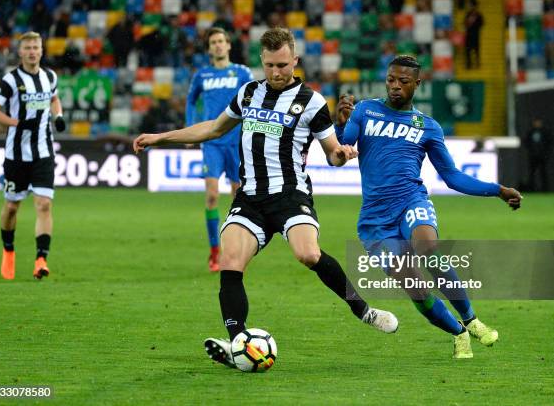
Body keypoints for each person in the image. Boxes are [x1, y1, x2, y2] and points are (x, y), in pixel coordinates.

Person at [134, 27, 398, 369]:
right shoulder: (247, 94)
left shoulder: (312, 101)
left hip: (290, 195)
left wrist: (343, 154)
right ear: (262, 60)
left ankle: (363, 310)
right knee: (230, 261)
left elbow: (331, 152)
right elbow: (213, 129)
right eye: (271, 65)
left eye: (283, 65)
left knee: (308, 253)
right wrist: (160, 137)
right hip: (251, 198)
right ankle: (237, 342)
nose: (276, 72)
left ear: (295, 61)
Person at [335, 55, 522, 358]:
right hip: (374, 221)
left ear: (417, 84)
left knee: (427, 247)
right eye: (391, 80)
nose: (395, 87)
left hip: (411, 200)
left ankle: (471, 319)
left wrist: (497, 190)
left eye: (403, 82)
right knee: (415, 286)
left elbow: (451, 176)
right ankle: (458, 332)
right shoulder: (366, 110)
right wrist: (340, 121)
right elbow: (345, 146)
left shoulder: (427, 126)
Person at [0, 31, 66, 280]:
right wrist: (16, 123)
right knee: (11, 207)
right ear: (20, 52)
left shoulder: (50, 76)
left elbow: (54, 98)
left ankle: (41, 259)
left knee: (44, 204)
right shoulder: (10, 80)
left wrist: (58, 116)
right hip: (17, 155)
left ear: (42, 50)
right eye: (28, 48)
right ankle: (8, 250)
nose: (32, 51)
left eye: (36, 47)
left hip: (43, 151)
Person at [185, 27, 254, 272]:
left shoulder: (242, 72)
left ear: (228, 45)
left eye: (221, 41)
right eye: (213, 42)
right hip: (212, 142)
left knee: (238, 198)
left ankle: (235, 251)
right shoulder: (202, 75)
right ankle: (215, 253)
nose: (217, 45)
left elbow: (255, 99)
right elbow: (191, 100)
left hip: (236, 142)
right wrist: (191, 127)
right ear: (209, 48)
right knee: (212, 195)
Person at [523, 118, 552, 192]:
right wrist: (531, 151)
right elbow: (525, 142)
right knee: (531, 174)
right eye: (536, 122)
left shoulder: (545, 132)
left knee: (543, 173)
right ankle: (531, 189)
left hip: (542, 157)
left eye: (538, 122)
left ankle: (545, 189)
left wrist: (545, 152)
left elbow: (550, 142)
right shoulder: (531, 132)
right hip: (533, 157)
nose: (537, 124)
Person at [464, 0, 483, 69]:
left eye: (470, 5)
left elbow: (481, 23)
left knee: (476, 50)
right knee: (468, 51)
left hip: (475, 35)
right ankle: (468, 64)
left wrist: (474, 24)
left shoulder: (478, 15)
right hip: (469, 35)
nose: (469, 6)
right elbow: (465, 24)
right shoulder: (468, 14)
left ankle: (477, 64)